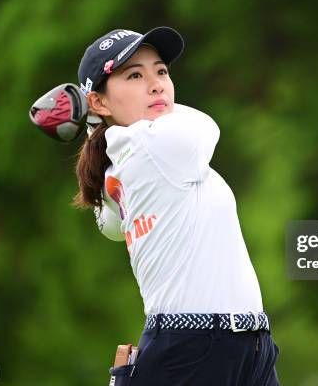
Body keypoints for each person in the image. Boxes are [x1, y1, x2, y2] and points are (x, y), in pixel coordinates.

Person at [73, 26, 280, 385]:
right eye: (135, 75)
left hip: (246, 345)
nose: (156, 84)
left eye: (161, 71)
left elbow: (110, 226)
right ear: (99, 101)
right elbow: (207, 127)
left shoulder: (124, 160)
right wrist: (99, 120)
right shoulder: (157, 143)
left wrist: (98, 120)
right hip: (194, 349)